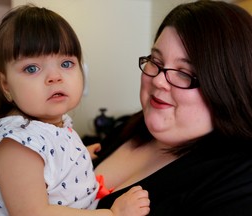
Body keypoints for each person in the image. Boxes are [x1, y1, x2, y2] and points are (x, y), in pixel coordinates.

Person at [0, 5, 150, 216]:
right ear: (5, 84)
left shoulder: (55, 124)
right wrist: (112, 214)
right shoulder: (18, 147)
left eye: (66, 63)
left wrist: (75, 157)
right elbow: (34, 213)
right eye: (32, 68)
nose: (55, 77)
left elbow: (47, 162)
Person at [93, 1, 252, 215]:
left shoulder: (238, 182)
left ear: (227, 88)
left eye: (184, 73)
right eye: (156, 61)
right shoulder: (130, 127)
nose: (159, 80)